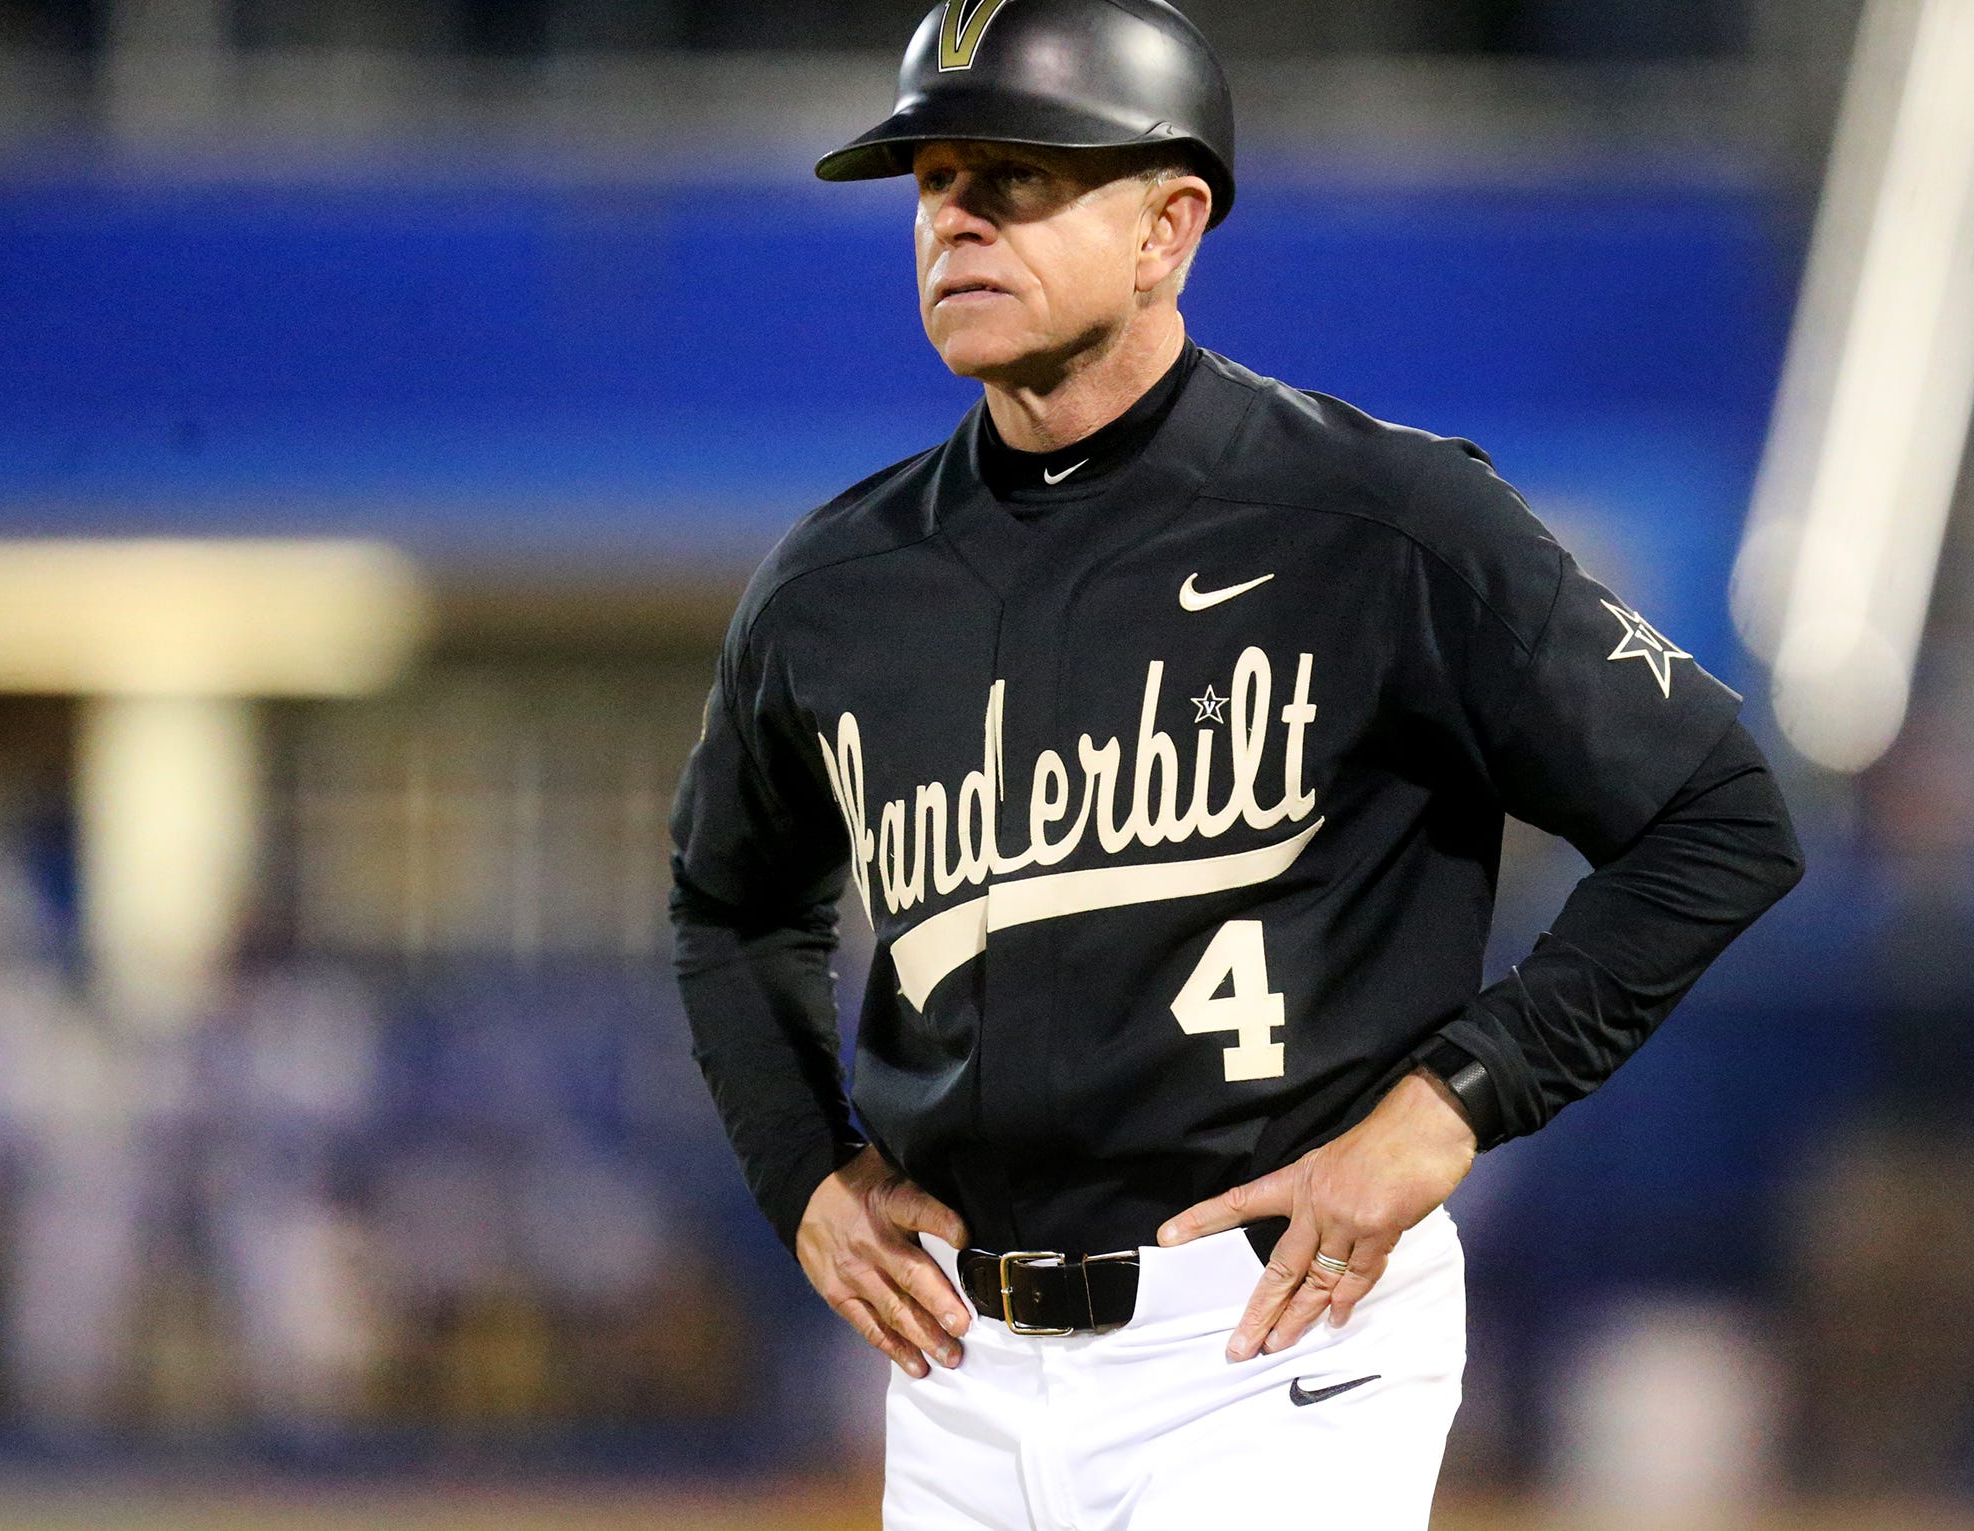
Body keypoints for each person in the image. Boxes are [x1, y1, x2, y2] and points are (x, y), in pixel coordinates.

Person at [667, 1, 1805, 1525]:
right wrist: (803, 1173)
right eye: (935, 177)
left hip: (1274, 1333)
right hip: (959, 1363)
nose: (957, 217)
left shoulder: (1382, 522)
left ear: (1168, 223)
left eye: (1018, 173)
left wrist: (1453, 1103)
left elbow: (1718, 813)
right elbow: (730, 904)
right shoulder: (837, 583)